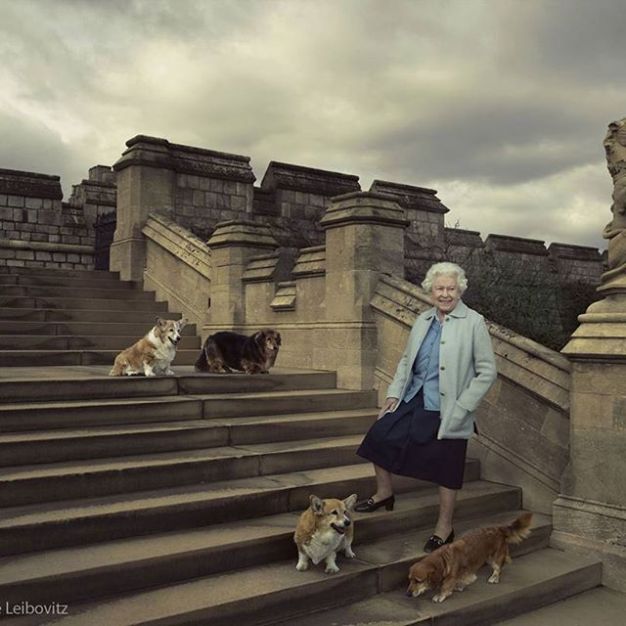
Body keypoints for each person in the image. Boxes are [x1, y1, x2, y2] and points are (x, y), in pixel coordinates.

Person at [355, 261, 497, 553]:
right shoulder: (423, 320)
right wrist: (394, 394)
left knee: (448, 466)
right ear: (430, 290)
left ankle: (444, 528)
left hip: (449, 407)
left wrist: (463, 407)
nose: (445, 294)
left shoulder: (473, 322)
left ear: (460, 290)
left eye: (451, 288)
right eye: (439, 288)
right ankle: (384, 493)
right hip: (414, 396)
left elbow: (487, 371)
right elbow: (407, 360)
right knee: (378, 436)